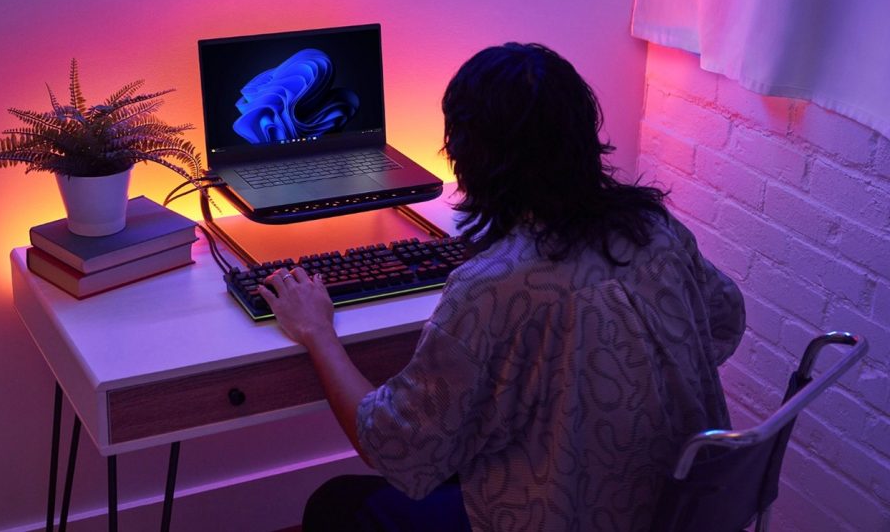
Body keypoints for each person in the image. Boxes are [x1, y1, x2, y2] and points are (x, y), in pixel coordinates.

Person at [260, 43, 745, 531]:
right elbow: (724, 322)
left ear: (469, 154)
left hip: (559, 517)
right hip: (677, 509)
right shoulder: (655, 230)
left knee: (334, 503)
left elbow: (388, 443)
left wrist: (317, 330)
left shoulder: (491, 288)